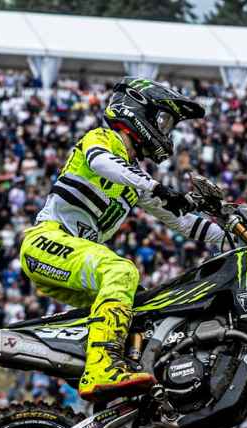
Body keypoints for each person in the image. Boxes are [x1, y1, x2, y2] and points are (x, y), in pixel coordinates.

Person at [18, 77, 222, 400]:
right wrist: (154, 186)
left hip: (71, 258)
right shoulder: (102, 139)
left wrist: (229, 237)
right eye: (164, 122)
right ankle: (101, 367)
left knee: (143, 306)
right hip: (45, 242)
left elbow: (184, 223)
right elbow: (101, 162)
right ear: (137, 111)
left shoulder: (135, 179)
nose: (166, 132)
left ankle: (121, 389)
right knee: (122, 271)